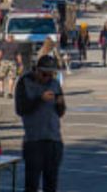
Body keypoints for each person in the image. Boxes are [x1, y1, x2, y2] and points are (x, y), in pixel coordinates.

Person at [16, 56, 66, 192]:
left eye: (51, 74)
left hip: (53, 139)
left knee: (51, 184)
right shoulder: (24, 82)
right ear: (37, 70)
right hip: (34, 140)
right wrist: (40, 99)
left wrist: (60, 104)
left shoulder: (54, 83)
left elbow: (60, 112)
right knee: (32, 184)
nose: (47, 78)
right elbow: (20, 109)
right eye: (44, 74)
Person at [0, 33, 27, 98]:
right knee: (11, 78)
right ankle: (10, 92)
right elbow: (18, 56)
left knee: (1, 77)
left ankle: (1, 91)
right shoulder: (16, 45)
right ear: (13, 38)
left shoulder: (3, 44)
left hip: (4, 62)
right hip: (13, 62)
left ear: (7, 38)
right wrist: (20, 64)